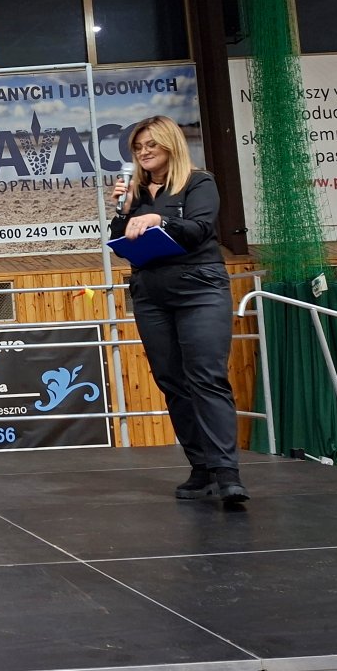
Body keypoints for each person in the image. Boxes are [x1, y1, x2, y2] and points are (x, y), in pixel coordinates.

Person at [110, 115, 249, 503]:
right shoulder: (136, 191)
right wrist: (123, 211)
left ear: (170, 144)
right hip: (151, 293)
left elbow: (200, 229)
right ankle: (201, 467)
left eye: (151, 145)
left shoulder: (198, 182)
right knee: (171, 380)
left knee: (206, 376)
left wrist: (161, 218)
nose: (144, 152)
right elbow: (119, 241)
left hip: (199, 288)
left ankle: (227, 472)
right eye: (138, 148)